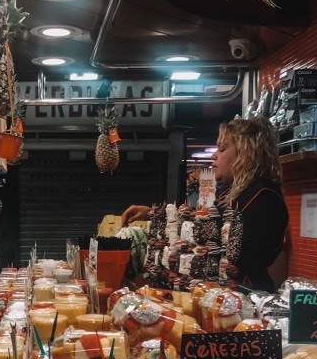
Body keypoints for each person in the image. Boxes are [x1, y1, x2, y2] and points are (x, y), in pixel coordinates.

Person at [121, 116, 289, 292]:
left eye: (222, 149)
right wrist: (154, 214)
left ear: (246, 154)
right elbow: (202, 231)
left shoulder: (264, 198)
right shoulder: (229, 193)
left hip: (243, 299)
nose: (213, 155)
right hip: (221, 295)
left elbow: (231, 257)